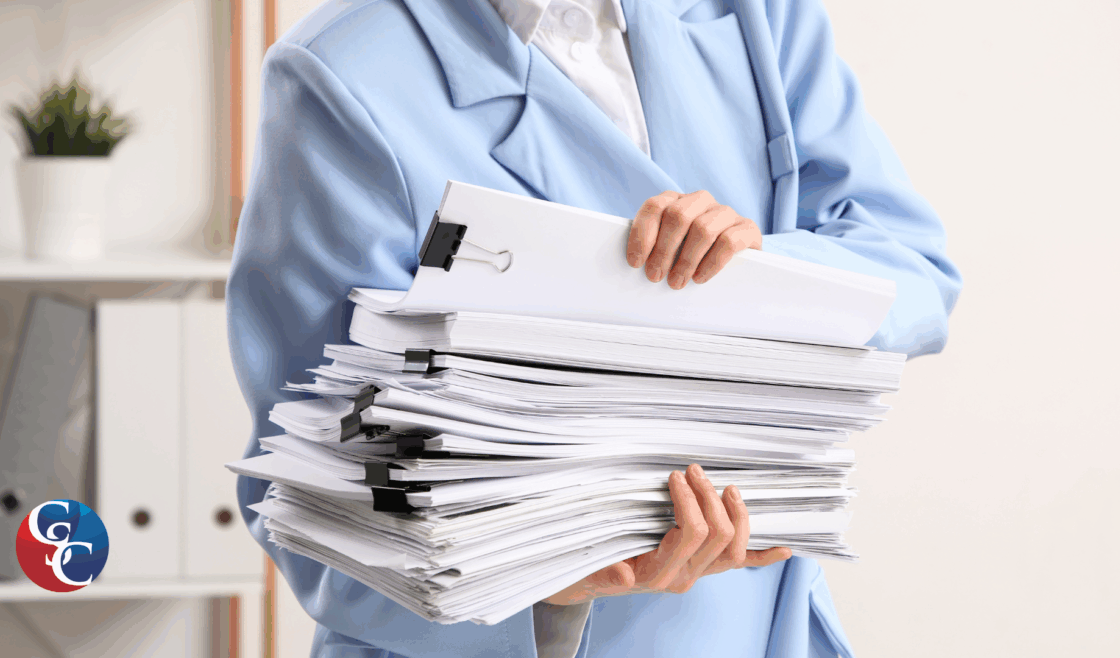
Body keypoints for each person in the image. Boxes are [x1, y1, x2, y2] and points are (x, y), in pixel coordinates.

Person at [225, 0, 963, 656]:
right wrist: (546, 584)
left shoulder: (760, 13)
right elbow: (310, 498)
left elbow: (911, 266)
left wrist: (758, 269)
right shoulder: (341, 73)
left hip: (760, 625)